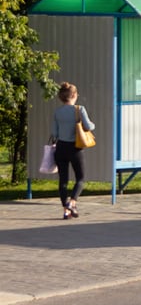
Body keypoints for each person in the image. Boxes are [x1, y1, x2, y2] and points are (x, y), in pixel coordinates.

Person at [51, 82, 94, 220]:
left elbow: (54, 132)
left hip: (60, 148)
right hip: (75, 148)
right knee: (80, 178)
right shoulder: (79, 109)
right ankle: (72, 202)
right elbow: (88, 126)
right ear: (74, 95)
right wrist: (92, 125)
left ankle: (66, 211)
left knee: (63, 180)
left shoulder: (57, 112)